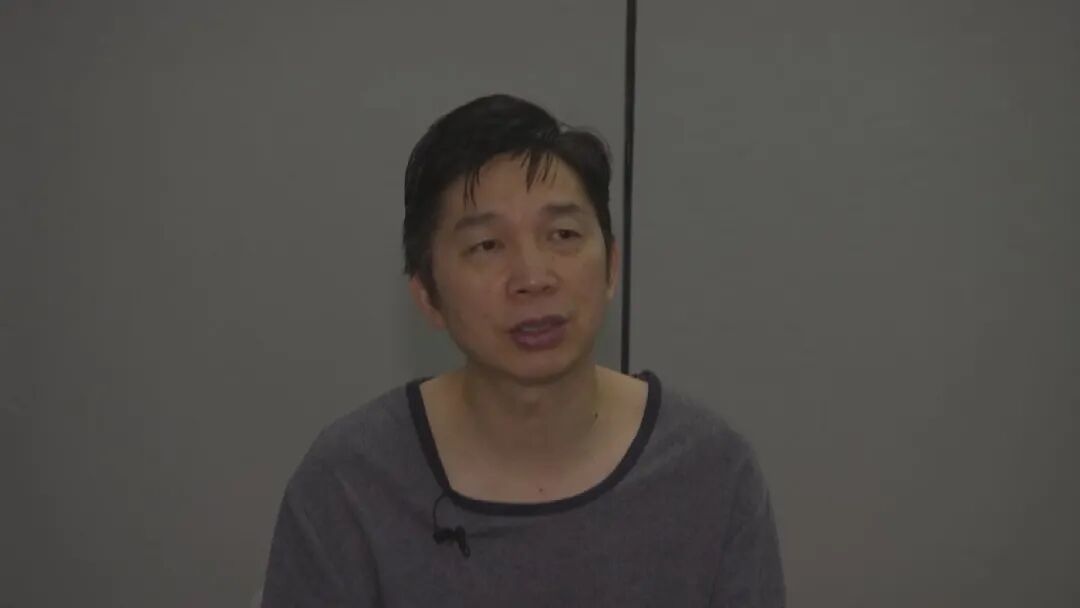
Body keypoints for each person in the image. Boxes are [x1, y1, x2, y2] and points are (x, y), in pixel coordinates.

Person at [260, 93, 786, 607]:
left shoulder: (711, 473)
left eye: (563, 234)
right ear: (428, 296)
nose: (533, 278)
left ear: (611, 267)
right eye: (487, 245)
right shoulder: (349, 483)